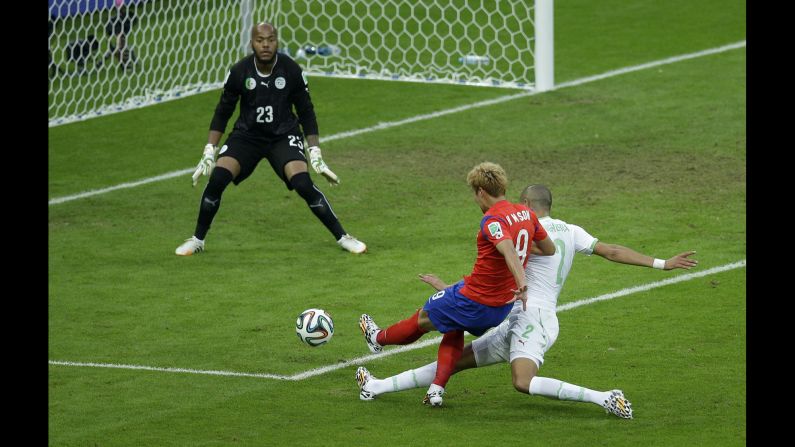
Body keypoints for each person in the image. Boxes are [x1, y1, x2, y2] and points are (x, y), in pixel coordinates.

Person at [355, 184, 698, 417]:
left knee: (522, 382)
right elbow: (611, 250)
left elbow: (499, 269)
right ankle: (376, 386)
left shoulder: (524, 230)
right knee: (454, 360)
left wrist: (451, 288)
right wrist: (661, 263)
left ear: (528, 207)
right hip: (520, 317)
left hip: (532, 318)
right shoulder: (571, 230)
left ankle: (604, 397)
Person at [358, 163, 556, 406]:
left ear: (481, 191)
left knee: (423, 318)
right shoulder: (526, 214)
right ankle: (436, 390)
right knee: (453, 325)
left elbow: (508, 252)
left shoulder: (492, 220)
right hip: (500, 308)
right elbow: (549, 249)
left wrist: (522, 283)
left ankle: (377, 338)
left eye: (475, 194)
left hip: (474, 300)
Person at [176, 22, 366, 256]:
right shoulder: (239, 72)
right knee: (217, 179)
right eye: (260, 40)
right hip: (247, 136)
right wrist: (209, 150)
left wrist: (315, 152)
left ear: (277, 41)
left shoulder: (291, 70)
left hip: (283, 135)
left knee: (303, 183)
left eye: (271, 39)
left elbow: (306, 111)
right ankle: (197, 240)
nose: (265, 44)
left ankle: (343, 237)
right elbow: (222, 112)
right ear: (251, 43)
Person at [102, 1, 137, 71]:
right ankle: (127, 66)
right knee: (119, 50)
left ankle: (131, 64)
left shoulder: (124, 18)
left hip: (117, 38)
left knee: (125, 49)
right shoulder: (115, 20)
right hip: (114, 38)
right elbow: (114, 34)